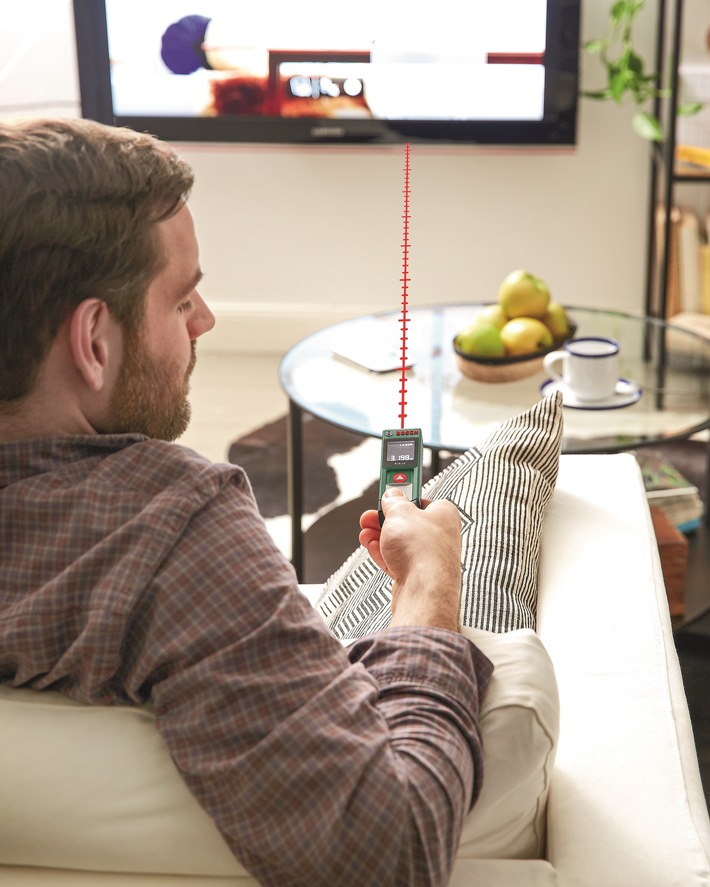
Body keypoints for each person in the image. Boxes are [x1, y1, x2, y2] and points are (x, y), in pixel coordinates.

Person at [0, 117, 493, 887]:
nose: (205, 320)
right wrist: (430, 584)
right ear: (94, 340)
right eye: (181, 298)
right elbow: (390, 848)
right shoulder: (172, 527)